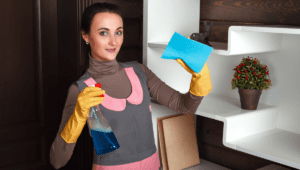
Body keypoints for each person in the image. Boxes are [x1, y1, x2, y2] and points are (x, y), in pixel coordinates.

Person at [49, 2, 212, 170]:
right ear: (86, 36)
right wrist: (78, 115)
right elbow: (57, 160)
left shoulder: (139, 71)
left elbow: (184, 106)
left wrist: (200, 78)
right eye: (103, 33)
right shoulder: (81, 89)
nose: (113, 41)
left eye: (118, 32)